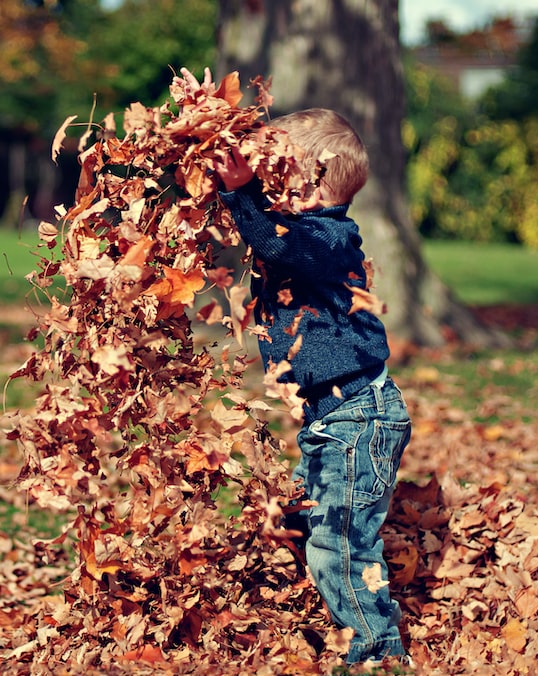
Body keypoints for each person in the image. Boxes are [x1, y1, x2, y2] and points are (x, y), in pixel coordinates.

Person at [215, 108, 412, 666]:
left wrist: (241, 195)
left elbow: (277, 245)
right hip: (333, 421)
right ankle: (318, 610)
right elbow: (267, 237)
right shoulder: (303, 233)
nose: (266, 185)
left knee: (342, 546)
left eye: (276, 175)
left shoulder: (328, 238)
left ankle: (377, 652)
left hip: (357, 419)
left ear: (311, 181)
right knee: (301, 516)